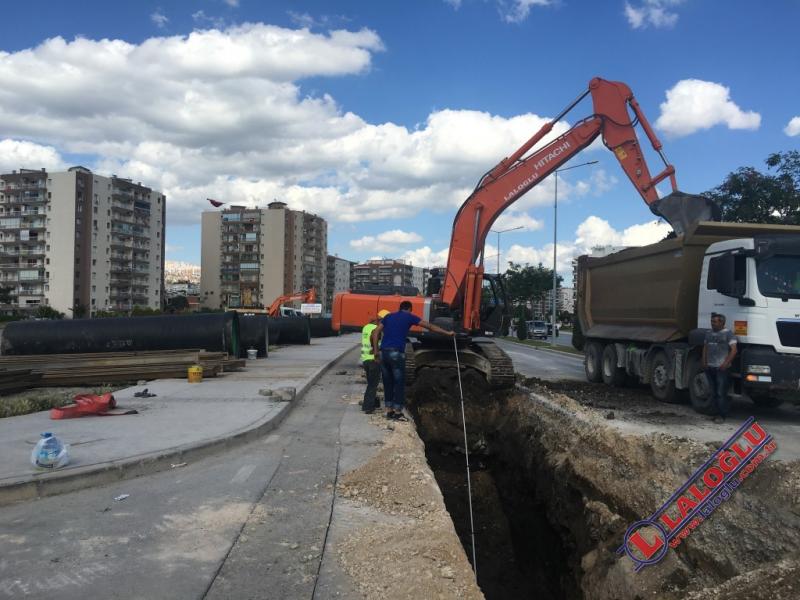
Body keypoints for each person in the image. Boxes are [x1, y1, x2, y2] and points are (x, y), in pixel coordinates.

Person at [371, 300, 455, 421]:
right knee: (399, 382)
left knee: (387, 382)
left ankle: (389, 410)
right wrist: (447, 333)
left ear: (400, 308)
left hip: (384, 352)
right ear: (410, 309)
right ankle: (398, 411)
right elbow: (429, 326)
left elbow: (376, 332)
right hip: (396, 353)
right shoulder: (410, 317)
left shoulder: (388, 316)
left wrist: (375, 351)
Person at [702, 312, 738, 423]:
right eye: (712, 321)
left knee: (720, 392)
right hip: (710, 367)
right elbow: (705, 347)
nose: (712, 324)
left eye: (715, 321)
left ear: (722, 322)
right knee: (713, 392)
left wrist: (726, 363)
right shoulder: (708, 333)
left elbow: (734, 350)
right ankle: (714, 413)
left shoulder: (728, 334)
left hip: (721, 368)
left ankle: (722, 415)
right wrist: (704, 361)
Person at [360, 309, 390, 414]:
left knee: (371, 383)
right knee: (373, 384)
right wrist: (377, 351)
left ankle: (374, 403)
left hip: (365, 359)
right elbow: (374, 339)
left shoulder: (366, 327)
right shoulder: (376, 329)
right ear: (382, 319)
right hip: (373, 359)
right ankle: (368, 406)